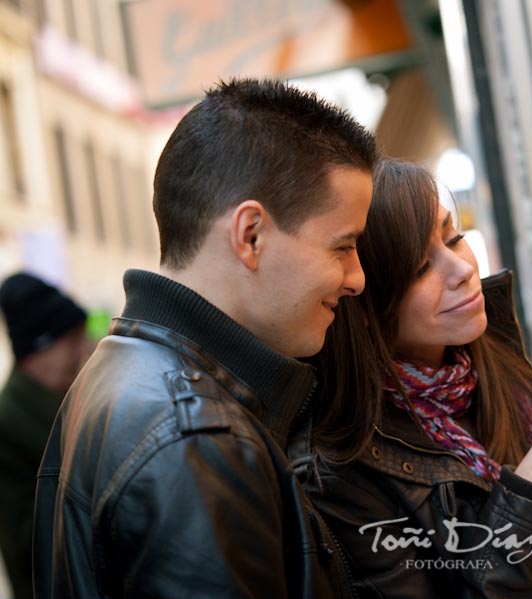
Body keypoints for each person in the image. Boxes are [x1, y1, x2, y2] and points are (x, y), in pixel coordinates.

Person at [32, 78, 379, 599]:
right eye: (343, 246)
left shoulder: (121, 369)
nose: (357, 278)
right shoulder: (196, 437)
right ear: (250, 236)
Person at [304, 159, 532, 598]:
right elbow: (531, 476)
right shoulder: (341, 468)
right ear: (363, 305)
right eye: (420, 268)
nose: (462, 270)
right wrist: (528, 501)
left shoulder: (479, 359)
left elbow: (531, 447)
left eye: (453, 238)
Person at [0, 272, 92, 599]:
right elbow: (28, 541)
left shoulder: (68, 396)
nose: (85, 349)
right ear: (37, 353)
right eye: (72, 340)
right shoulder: (8, 424)